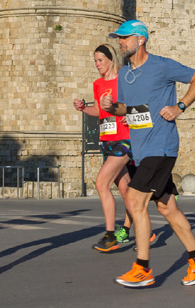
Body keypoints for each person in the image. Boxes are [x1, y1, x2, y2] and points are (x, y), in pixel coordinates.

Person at [101, 20, 195, 287]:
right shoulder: (124, 74)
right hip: (141, 150)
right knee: (166, 207)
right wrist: (111, 107)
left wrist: (180, 106)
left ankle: (142, 268)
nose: (120, 42)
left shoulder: (161, 66)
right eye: (119, 38)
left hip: (161, 147)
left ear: (140, 40)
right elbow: (126, 109)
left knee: (134, 201)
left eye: (125, 37)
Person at [74, 44, 136, 252]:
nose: (97, 64)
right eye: (95, 61)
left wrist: (130, 116)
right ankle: (146, 228)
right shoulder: (98, 84)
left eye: (100, 60)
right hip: (106, 141)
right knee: (125, 189)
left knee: (102, 183)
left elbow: (138, 104)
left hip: (124, 140)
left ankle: (110, 236)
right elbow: (99, 112)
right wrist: (84, 108)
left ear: (111, 59)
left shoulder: (124, 80)